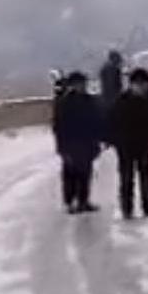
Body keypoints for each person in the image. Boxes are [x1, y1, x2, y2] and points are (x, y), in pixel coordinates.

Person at [109, 68, 148, 218]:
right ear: (132, 85)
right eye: (139, 84)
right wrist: (114, 141)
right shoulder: (121, 101)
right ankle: (127, 208)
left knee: (147, 177)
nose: (141, 87)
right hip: (126, 145)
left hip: (146, 145)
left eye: (144, 84)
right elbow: (112, 123)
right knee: (126, 178)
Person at [51, 71, 103, 213]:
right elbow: (58, 126)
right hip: (70, 143)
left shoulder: (90, 101)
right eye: (79, 84)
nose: (82, 86)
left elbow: (97, 122)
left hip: (87, 142)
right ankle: (69, 202)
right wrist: (61, 146)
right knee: (70, 173)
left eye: (83, 84)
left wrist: (98, 140)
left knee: (86, 173)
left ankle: (83, 200)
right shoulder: (64, 102)